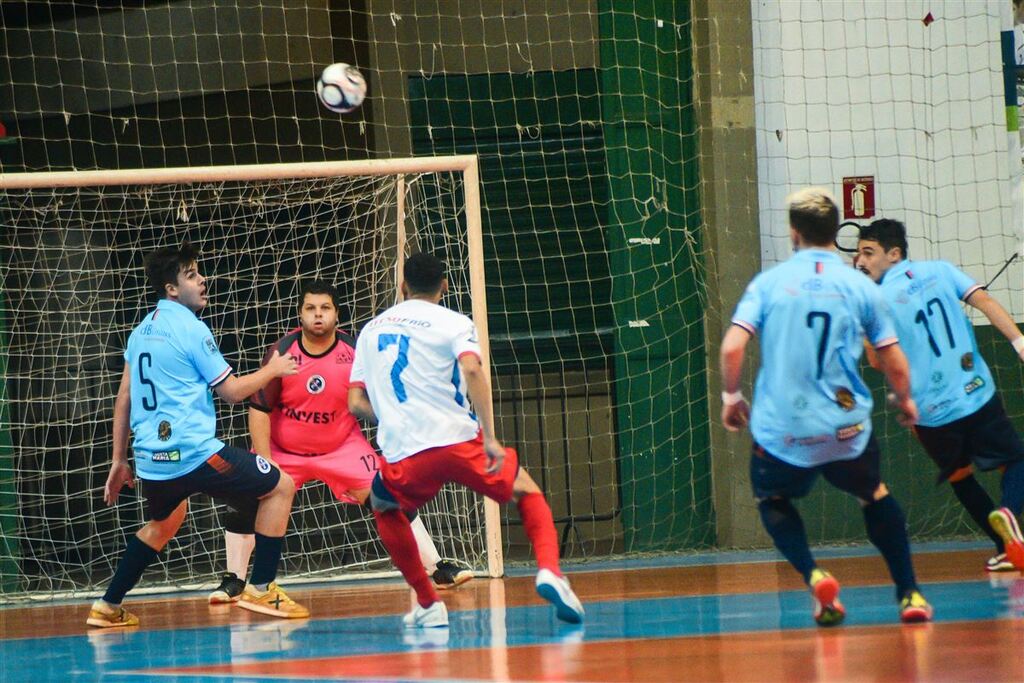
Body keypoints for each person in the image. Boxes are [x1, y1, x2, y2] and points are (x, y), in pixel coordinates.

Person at [720, 188, 933, 626]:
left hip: (784, 428)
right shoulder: (859, 285)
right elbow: (892, 357)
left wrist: (732, 397)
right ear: (836, 232)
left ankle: (815, 576)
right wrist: (907, 399)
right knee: (873, 494)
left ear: (793, 232)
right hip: (845, 426)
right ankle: (910, 594)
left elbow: (732, 348)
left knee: (772, 497)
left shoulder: (768, 284)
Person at [347, 252, 585, 629]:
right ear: (444, 285)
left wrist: (394, 416)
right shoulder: (454, 322)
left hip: (406, 452)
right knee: (526, 491)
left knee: (385, 506)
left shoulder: (370, 330)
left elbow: (355, 402)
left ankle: (428, 603)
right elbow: (472, 368)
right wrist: (490, 437)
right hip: (458, 440)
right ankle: (550, 572)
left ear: (402, 286)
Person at [87, 242, 309, 629]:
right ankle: (261, 587)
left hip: (152, 461)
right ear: (172, 289)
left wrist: (119, 460)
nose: (202, 280)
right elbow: (232, 392)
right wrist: (273, 370)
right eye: (191, 275)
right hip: (193, 454)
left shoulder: (141, 331)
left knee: (165, 523)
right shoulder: (192, 329)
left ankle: (107, 605)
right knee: (280, 486)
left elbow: (124, 398)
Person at [209, 281, 473, 604]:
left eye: (325, 308)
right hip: (284, 449)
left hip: (341, 446)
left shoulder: (355, 351)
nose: (318, 315)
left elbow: (378, 395)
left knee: (389, 494)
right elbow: (259, 409)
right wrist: (266, 461)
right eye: (310, 308)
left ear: (337, 314)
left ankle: (436, 567)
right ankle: (234, 580)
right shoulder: (282, 351)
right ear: (300, 315)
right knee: (246, 495)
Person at [856, 218, 1024, 571]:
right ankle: (1008, 512)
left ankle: (1005, 547)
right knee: (1016, 461)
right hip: (975, 392)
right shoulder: (941, 269)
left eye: (869, 253)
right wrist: (1019, 341)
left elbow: (875, 362)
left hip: (930, 411)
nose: (861, 261)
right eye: (859, 254)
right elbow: (984, 301)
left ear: (894, 253)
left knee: (960, 476)